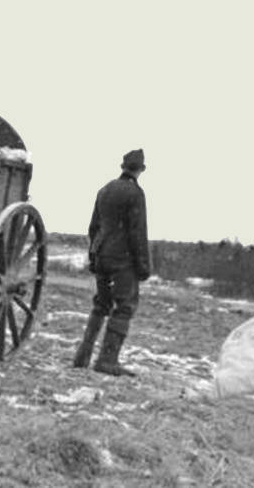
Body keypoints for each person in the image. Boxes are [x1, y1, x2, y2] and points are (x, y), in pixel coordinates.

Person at [73, 148, 151, 376]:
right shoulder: (135, 194)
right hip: (122, 259)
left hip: (101, 255)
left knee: (101, 304)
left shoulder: (104, 189)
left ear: (123, 167)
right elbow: (138, 233)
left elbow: (93, 227)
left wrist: (94, 253)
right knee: (125, 307)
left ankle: (82, 357)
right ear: (141, 170)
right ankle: (107, 360)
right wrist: (143, 266)